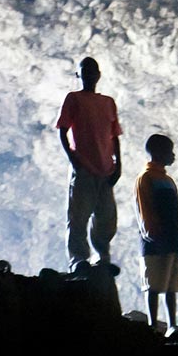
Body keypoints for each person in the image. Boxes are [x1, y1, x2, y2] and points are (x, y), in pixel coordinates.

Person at [56, 57, 123, 273]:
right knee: (78, 216)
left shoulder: (108, 102)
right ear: (79, 75)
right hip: (83, 167)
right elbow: (62, 129)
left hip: (106, 169)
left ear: (99, 74)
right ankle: (78, 260)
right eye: (84, 71)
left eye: (92, 71)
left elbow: (114, 136)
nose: (89, 75)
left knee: (106, 218)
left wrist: (118, 164)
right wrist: (73, 158)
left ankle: (102, 257)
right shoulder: (73, 99)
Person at [135, 134, 178, 333]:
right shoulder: (145, 178)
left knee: (171, 284)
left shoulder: (168, 180)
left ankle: (172, 324)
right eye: (169, 151)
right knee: (153, 283)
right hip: (155, 239)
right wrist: (152, 233)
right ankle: (152, 325)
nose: (172, 156)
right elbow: (143, 208)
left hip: (171, 238)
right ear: (158, 153)